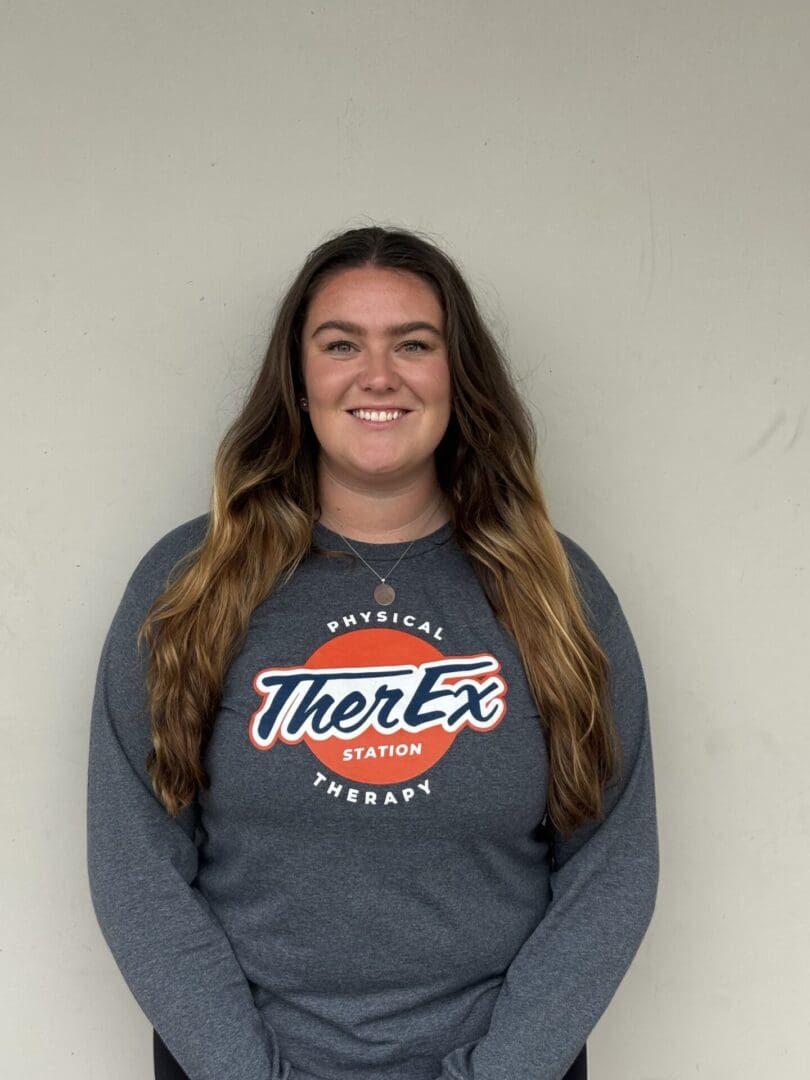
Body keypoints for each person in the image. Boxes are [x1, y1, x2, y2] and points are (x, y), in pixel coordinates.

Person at [87, 224, 659, 1080]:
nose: (378, 375)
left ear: (456, 378)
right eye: (341, 344)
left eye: (414, 344)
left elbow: (612, 865)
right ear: (300, 379)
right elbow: (137, 862)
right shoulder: (189, 586)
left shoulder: (558, 591)